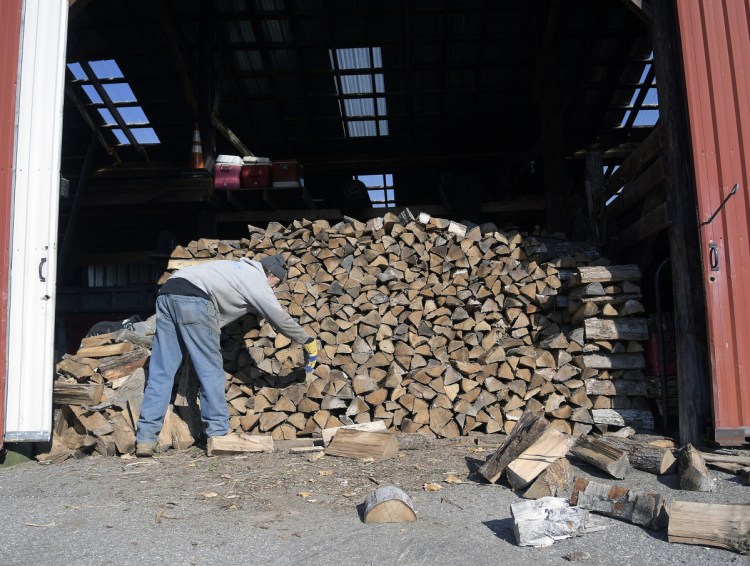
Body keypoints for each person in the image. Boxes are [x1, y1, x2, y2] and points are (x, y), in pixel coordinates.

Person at [135, 254, 318, 457]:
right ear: (271, 273)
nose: (275, 288)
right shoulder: (256, 279)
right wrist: (307, 340)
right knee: (209, 369)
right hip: (194, 299)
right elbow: (279, 318)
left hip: (167, 293)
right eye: (277, 282)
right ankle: (218, 435)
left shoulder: (234, 268)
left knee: (162, 371)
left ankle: (145, 439)